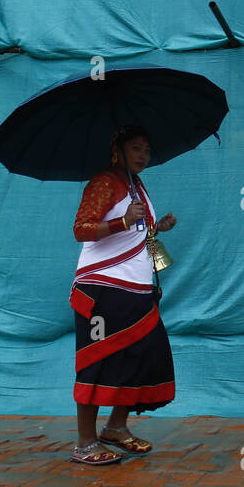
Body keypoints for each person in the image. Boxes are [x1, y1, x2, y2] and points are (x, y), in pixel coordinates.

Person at [69, 126, 178, 465]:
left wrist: (157, 228)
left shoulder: (136, 185)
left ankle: (116, 427)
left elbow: (135, 232)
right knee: (98, 361)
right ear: (117, 150)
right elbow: (81, 229)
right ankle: (85, 443)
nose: (143, 154)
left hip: (137, 288)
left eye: (146, 148)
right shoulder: (105, 182)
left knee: (140, 357)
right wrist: (123, 221)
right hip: (104, 288)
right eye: (135, 148)